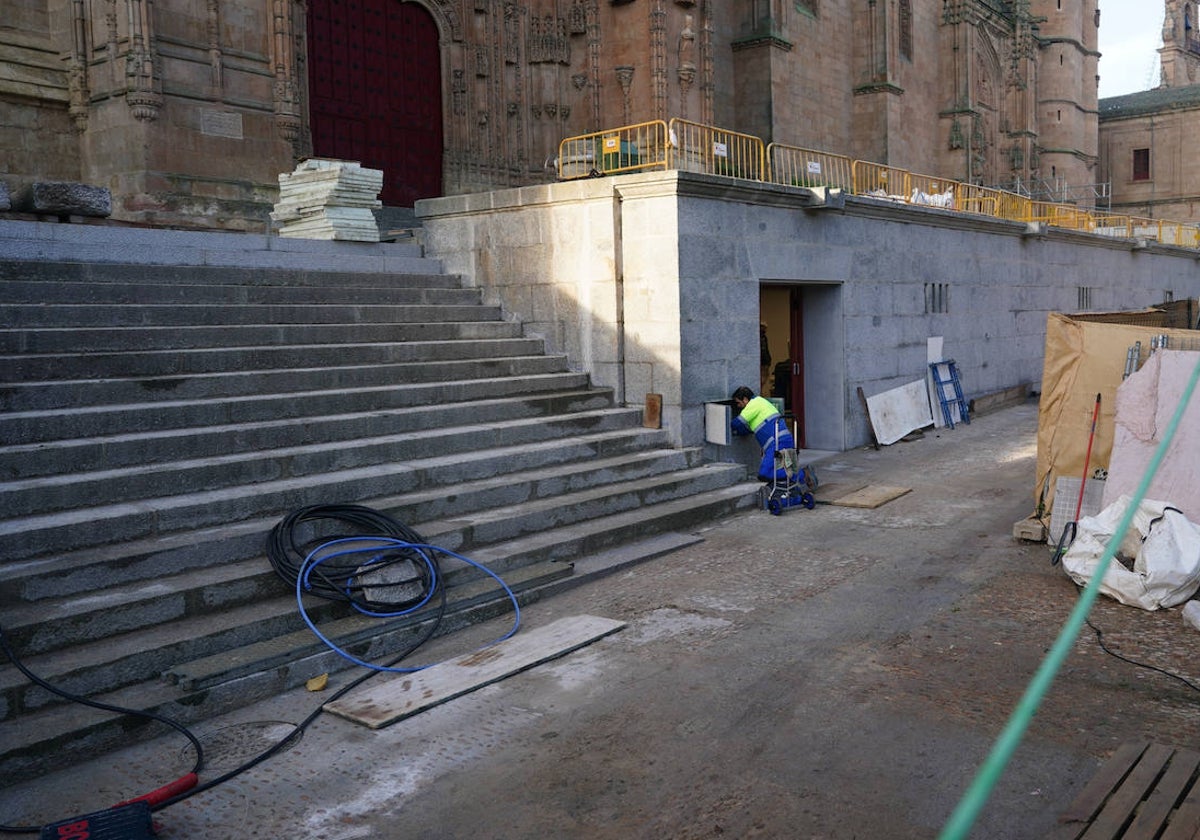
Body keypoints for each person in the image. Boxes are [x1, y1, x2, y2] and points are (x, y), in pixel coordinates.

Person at [730, 385, 794, 482]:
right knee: (778, 472)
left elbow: (736, 423)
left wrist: (721, 422)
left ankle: (801, 474)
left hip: (777, 443)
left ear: (745, 399)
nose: (738, 406)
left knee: (764, 474)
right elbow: (748, 429)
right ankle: (801, 477)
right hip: (783, 440)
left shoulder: (753, 405)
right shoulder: (760, 402)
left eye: (738, 403)